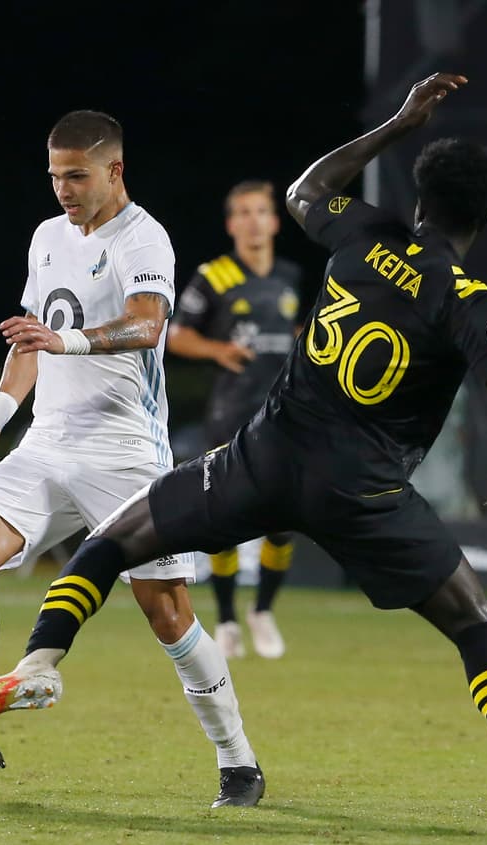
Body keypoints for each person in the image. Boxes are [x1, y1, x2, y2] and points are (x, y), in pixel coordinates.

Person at [0, 74, 487, 836]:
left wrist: (398, 123)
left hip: (267, 456)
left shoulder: (362, 232)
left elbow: (306, 189)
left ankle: (43, 659)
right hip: (365, 492)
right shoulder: (465, 298)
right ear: (483, 218)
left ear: (415, 199)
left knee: (110, 543)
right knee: (478, 625)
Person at [0, 109, 263, 808]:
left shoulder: (143, 237)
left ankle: (238, 760)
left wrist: (71, 343)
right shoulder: (47, 236)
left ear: (114, 170)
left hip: (124, 451)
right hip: (46, 443)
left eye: (76, 175)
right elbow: (31, 339)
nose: (63, 188)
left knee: (167, 612)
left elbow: (150, 323)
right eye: (54, 175)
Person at [167, 180, 303, 659]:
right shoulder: (216, 275)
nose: (251, 220)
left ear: (274, 221)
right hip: (231, 415)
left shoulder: (290, 276)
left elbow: (301, 332)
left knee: (283, 520)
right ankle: (226, 621)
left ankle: (262, 611)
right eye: (242, 212)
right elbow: (175, 335)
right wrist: (217, 349)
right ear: (230, 224)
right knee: (223, 518)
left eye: (260, 211)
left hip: (285, 415)